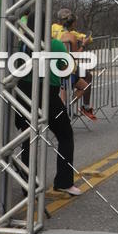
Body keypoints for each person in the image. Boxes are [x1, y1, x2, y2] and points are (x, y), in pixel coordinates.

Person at [15, 22, 83, 196]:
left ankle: (28, 186)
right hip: (48, 95)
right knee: (65, 135)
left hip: (24, 94)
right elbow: (65, 70)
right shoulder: (55, 44)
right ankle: (64, 182)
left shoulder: (21, 44)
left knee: (28, 139)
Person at [56, 8, 96, 120]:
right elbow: (75, 55)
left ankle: (65, 110)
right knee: (82, 86)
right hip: (68, 68)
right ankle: (66, 110)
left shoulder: (54, 29)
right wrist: (83, 44)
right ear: (72, 23)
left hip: (57, 65)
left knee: (64, 90)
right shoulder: (71, 35)